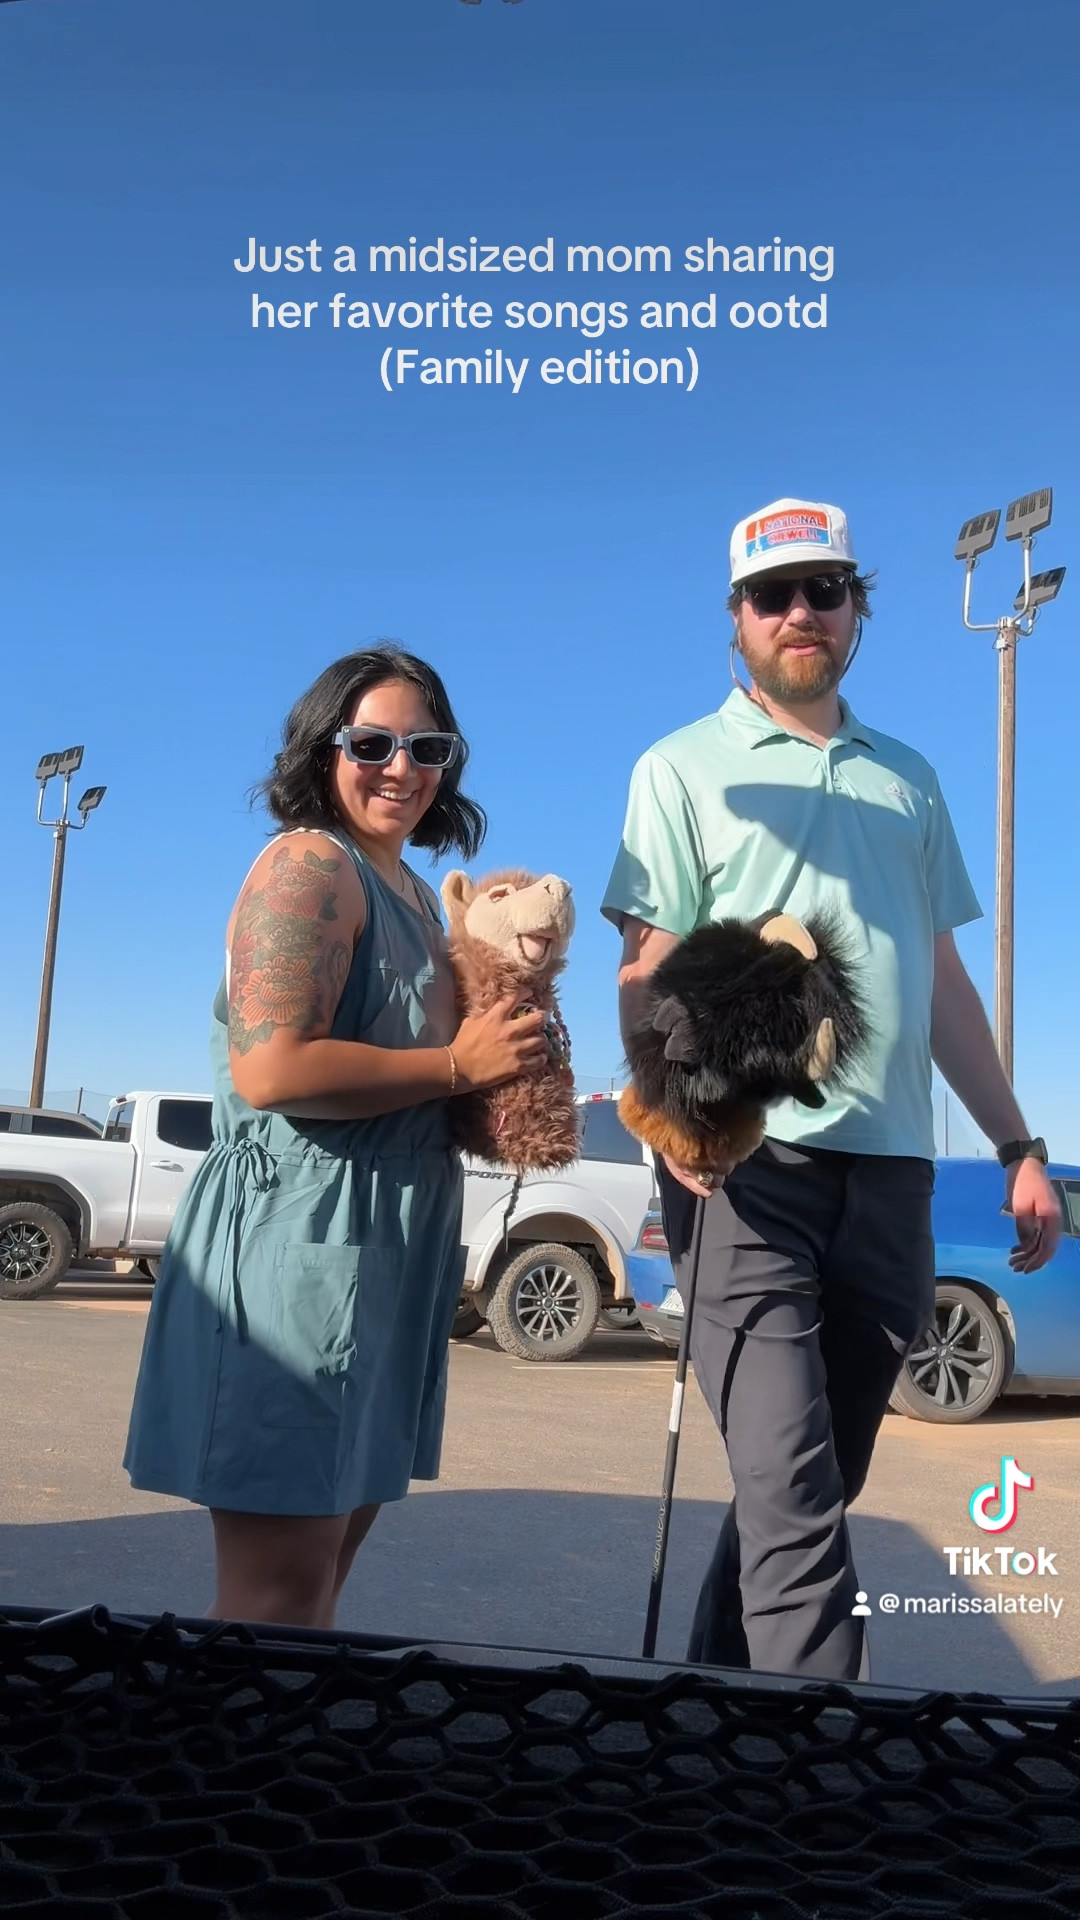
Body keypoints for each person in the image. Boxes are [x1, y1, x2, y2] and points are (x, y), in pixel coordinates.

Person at [602, 498, 1062, 1681]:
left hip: (895, 1177)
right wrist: (672, 1117)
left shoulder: (908, 779)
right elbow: (647, 965)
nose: (800, 612)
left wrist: (1017, 1144)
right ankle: (814, 1799)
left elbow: (941, 977)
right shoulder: (680, 767)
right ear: (737, 620)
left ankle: (709, 1718)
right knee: (794, 1494)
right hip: (748, 1174)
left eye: (825, 589)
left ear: (858, 607)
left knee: (812, 1482)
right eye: (773, 594)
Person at [124, 645, 547, 1629]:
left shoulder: (406, 889)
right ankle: (228, 1779)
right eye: (372, 743)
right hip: (297, 1250)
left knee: (317, 1582)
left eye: (426, 746)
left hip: (387, 1250)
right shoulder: (310, 865)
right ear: (324, 751)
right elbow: (270, 1069)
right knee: (275, 1595)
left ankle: (276, 1766)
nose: (400, 767)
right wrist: (454, 1068)